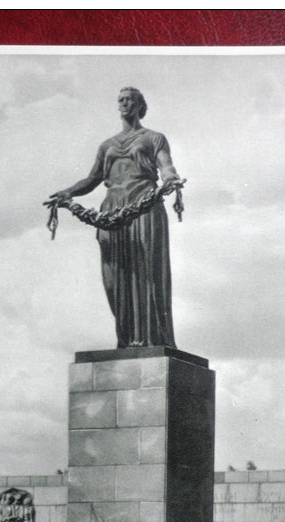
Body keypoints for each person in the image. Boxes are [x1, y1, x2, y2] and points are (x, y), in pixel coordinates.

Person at [45, 87, 183, 349]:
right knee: (114, 277)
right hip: (111, 210)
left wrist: (171, 179)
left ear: (140, 105)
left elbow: (166, 166)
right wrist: (68, 192)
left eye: (130, 100)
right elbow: (93, 179)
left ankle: (150, 339)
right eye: (120, 100)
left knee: (145, 273)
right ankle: (126, 337)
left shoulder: (154, 138)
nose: (124, 104)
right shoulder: (106, 145)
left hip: (143, 206)